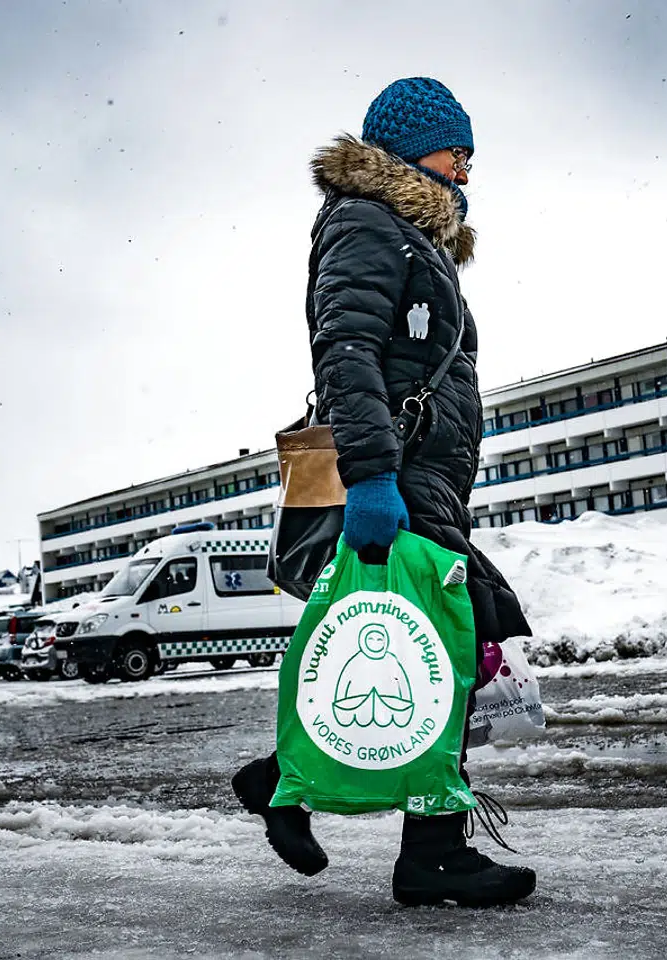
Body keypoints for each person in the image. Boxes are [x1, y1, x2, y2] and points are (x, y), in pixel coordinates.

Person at [233, 77, 536, 907]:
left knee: (438, 647)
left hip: (424, 477)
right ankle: (431, 853)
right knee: (451, 647)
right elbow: (346, 351)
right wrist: (369, 476)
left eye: (470, 155)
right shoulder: (369, 225)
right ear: (407, 151)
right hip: (396, 475)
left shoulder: (413, 240)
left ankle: (287, 784)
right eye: (454, 152)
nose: (466, 170)